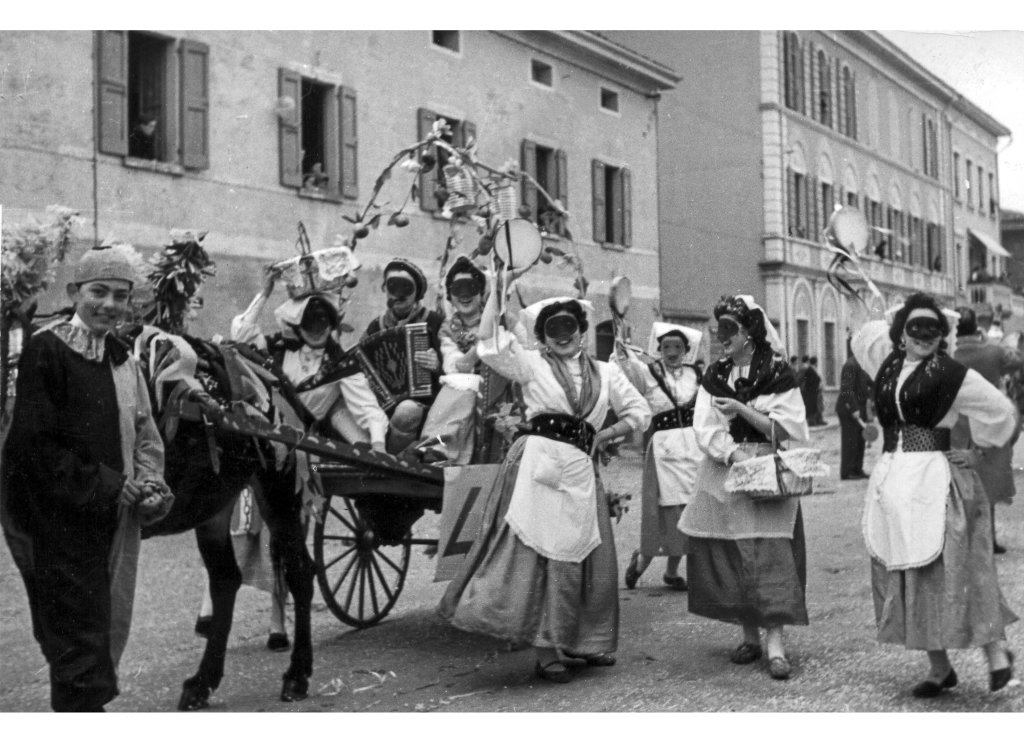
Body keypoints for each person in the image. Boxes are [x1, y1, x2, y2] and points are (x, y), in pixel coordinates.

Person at [438, 276, 651, 683]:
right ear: (543, 336)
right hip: (539, 464)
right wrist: (497, 300)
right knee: (539, 556)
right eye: (553, 329)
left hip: (580, 469)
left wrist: (606, 433)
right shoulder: (531, 365)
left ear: (582, 331)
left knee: (588, 557)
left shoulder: (606, 373)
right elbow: (490, 346)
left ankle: (584, 642)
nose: (563, 335)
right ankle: (545, 649)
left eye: (569, 327)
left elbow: (639, 412)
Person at [0, 245, 172, 711]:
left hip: (108, 525)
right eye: (99, 292)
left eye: (121, 296)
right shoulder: (47, 352)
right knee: (77, 651)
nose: (110, 305)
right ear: (75, 292)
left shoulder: (123, 360)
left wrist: (152, 484)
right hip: (58, 527)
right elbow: (32, 449)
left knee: (99, 637)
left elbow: (144, 434)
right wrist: (112, 484)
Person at [852, 293, 1017, 698]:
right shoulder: (887, 364)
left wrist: (977, 450)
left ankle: (997, 657)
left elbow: (1001, 410)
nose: (924, 335)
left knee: (960, 571)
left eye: (933, 329)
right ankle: (940, 668)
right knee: (909, 574)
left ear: (943, 335)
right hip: (894, 479)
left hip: (937, 480)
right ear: (901, 334)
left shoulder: (951, 374)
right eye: (915, 327)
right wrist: (872, 304)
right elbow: (863, 338)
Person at [680, 294, 809, 681]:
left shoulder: (778, 373)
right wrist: (733, 455)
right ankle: (750, 635)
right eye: (719, 329)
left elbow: (783, 429)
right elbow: (704, 426)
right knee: (733, 552)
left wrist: (740, 410)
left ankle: (776, 643)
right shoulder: (715, 375)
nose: (723, 337)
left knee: (770, 553)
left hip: (768, 469)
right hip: (727, 468)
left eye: (730, 329)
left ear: (750, 332)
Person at [614, 322, 703, 591]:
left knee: (690, 509)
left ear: (687, 350)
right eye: (666, 347)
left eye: (677, 347)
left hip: (693, 448)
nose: (672, 352)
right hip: (664, 449)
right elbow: (626, 372)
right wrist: (622, 349)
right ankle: (640, 563)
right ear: (658, 349)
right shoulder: (649, 372)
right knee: (664, 512)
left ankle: (672, 573)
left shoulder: (695, 374)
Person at [418, 256, 513, 465]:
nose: (464, 295)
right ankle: (437, 449)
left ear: (481, 293)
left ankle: (438, 447)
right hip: (469, 388)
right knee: (460, 383)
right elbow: (456, 366)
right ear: (450, 297)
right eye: (457, 289)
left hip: (501, 391)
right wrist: (483, 341)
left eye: (470, 287)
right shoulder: (448, 328)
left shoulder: (502, 319)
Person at [950, 307, 1023, 554]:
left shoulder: (948, 356)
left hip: (958, 427)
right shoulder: (992, 352)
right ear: (975, 330)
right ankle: (989, 539)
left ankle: (965, 540)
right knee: (988, 485)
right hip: (989, 425)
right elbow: (1017, 361)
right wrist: (990, 340)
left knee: (961, 485)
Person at [362, 258, 444, 454]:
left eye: (405, 288)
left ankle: (386, 459)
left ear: (417, 294)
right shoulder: (375, 326)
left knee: (407, 411)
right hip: (381, 404)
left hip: (423, 408)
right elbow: (360, 365)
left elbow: (454, 367)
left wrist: (438, 365)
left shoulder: (435, 322)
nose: (398, 295)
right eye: (392, 287)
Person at [835, 342, 873, 480]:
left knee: (860, 440)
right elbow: (847, 389)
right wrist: (854, 408)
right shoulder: (850, 365)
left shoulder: (861, 365)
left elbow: (870, 382)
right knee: (850, 440)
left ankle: (857, 469)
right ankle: (847, 471)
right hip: (848, 408)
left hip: (859, 407)